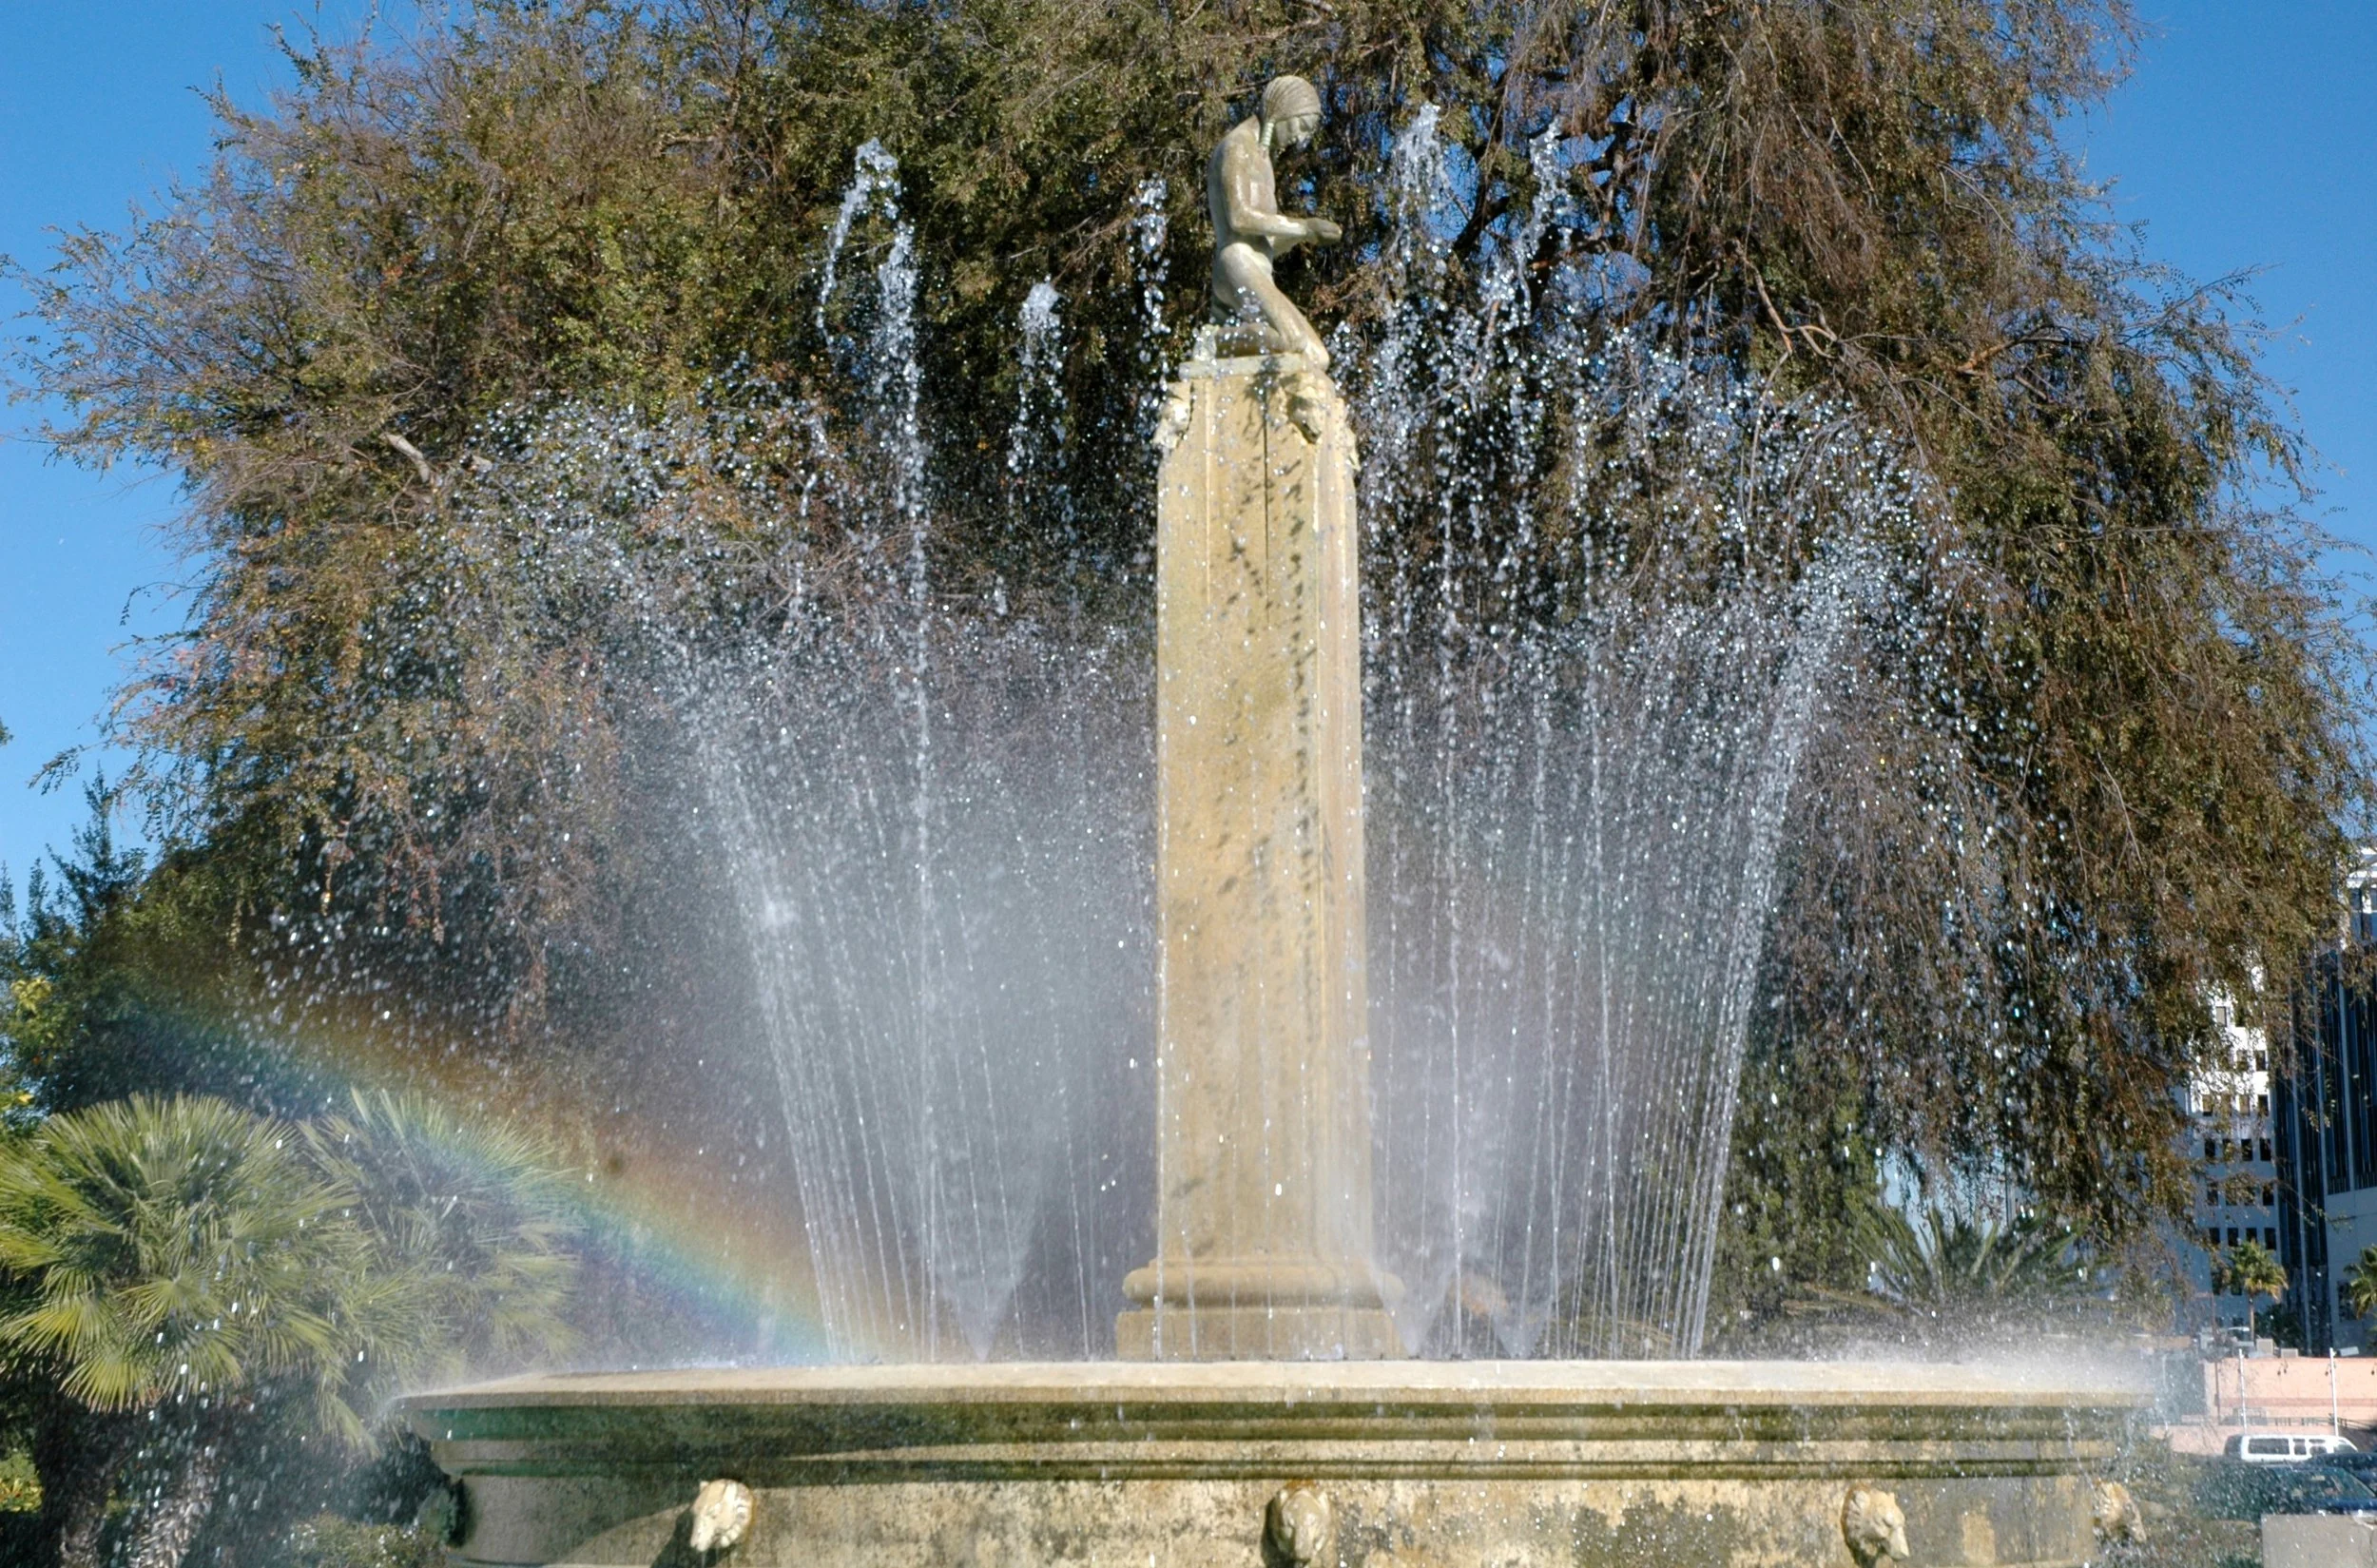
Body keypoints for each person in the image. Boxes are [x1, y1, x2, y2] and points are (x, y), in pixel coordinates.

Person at [1207, 75, 1343, 367]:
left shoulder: (1264, 159)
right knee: (1292, 341)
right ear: (1282, 111)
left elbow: (1267, 244)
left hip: (1259, 267)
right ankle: (1213, 342)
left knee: (1318, 358)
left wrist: (1307, 235)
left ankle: (1226, 338)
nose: (1300, 138)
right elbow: (1239, 218)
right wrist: (1302, 226)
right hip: (1236, 264)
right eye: (1301, 126)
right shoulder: (1237, 146)